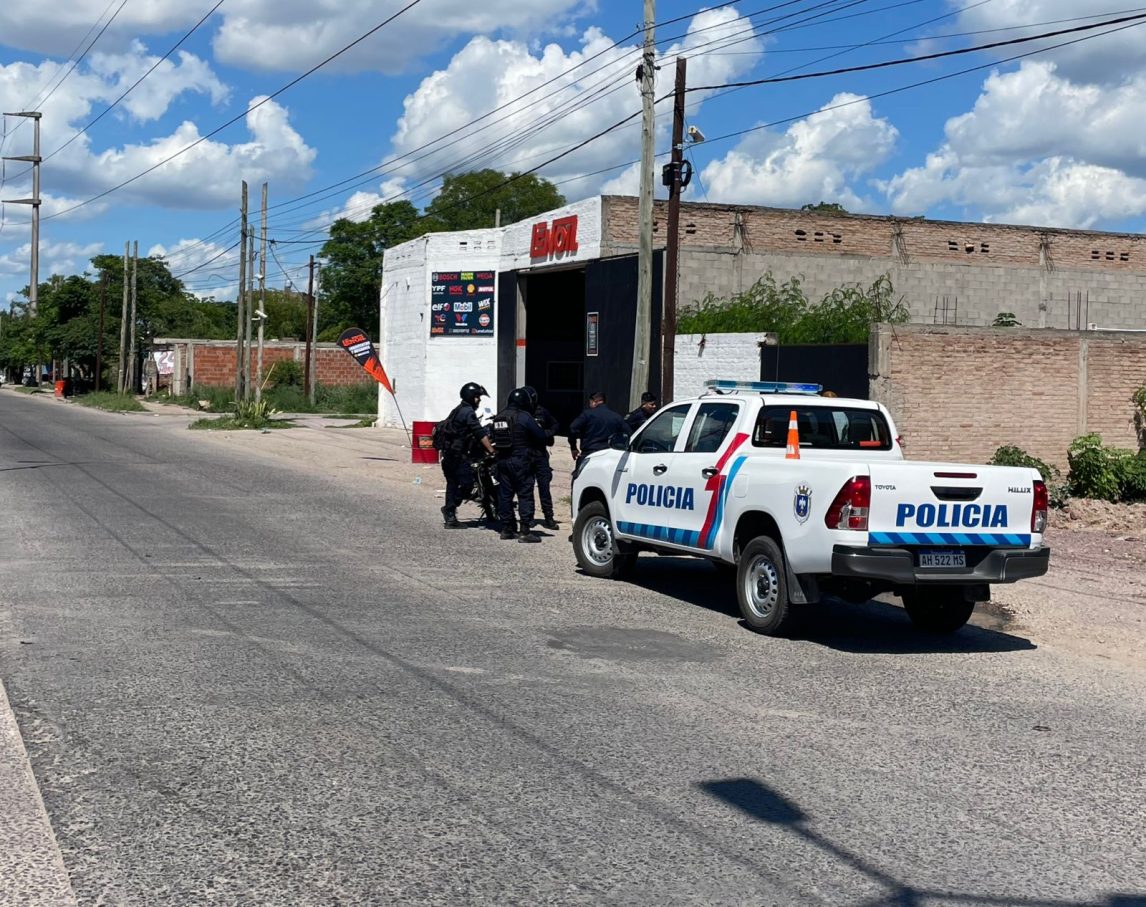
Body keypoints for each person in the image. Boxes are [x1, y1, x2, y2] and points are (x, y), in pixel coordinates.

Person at [492, 387, 549, 543]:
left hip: (502, 461)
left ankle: (506, 529)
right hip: (521, 461)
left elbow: (493, 437)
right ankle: (524, 530)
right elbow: (541, 436)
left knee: (505, 496)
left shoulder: (499, 417)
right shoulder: (524, 417)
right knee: (525, 494)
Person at [439, 382, 495, 529]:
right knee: (467, 484)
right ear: (471, 397)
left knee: (452, 483)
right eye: (477, 397)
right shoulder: (468, 412)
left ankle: (450, 517)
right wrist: (491, 450)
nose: (479, 400)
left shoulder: (458, 409)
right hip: (458, 456)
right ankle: (450, 509)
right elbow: (479, 432)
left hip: (448, 454)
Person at [523, 386, 560, 530]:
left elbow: (555, 424)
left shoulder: (541, 411)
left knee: (544, 487)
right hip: (526, 454)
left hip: (540, 454)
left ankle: (549, 517)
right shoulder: (521, 413)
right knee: (527, 487)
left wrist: (547, 433)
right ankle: (529, 517)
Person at [568, 391, 628, 461]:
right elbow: (628, 433)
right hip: (609, 455)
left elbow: (572, 429)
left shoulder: (587, 415)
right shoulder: (617, 417)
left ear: (594, 401)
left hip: (589, 454)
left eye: (590, 402)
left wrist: (573, 447)